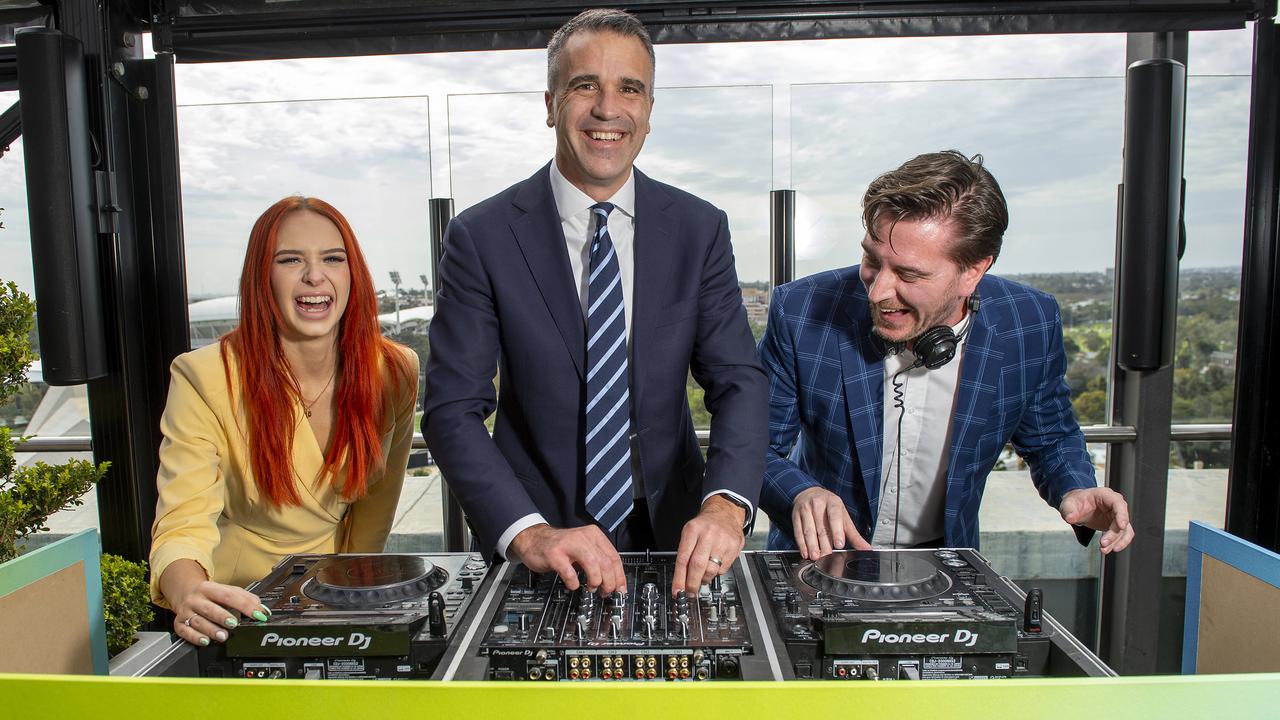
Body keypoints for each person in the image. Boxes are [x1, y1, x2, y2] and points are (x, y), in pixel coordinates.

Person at [422, 8, 767, 597]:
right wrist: (528, 533)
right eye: (586, 86)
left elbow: (738, 380)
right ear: (551, 101)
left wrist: (725, 506)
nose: (608, 109)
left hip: (675, 535)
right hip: (541, 540)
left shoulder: (699, 228)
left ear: (649, 111)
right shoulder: (481, 236)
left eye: (629, 89)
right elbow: (452, 409)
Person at [758, 151, 1134, 559]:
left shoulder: (1029, 323)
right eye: (871, 259)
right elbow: (753, 446)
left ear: (973, 270)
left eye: (908, 274)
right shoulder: (800, 309)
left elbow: (1050, 436)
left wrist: (1075, 487)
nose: (878, 291)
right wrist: (801, 493)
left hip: (947, 565)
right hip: (820, 562)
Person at [149, 197, 418, 647]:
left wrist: (351, 602)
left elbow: (375, 514)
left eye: (333, 258)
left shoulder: (395, 370)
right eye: (291, 259)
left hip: (337, 594)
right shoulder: (202, 376)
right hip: (236, 604)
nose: (315, 275)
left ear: (353, 274)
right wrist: (189, 591)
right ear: (262, 278)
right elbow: (182, 522)